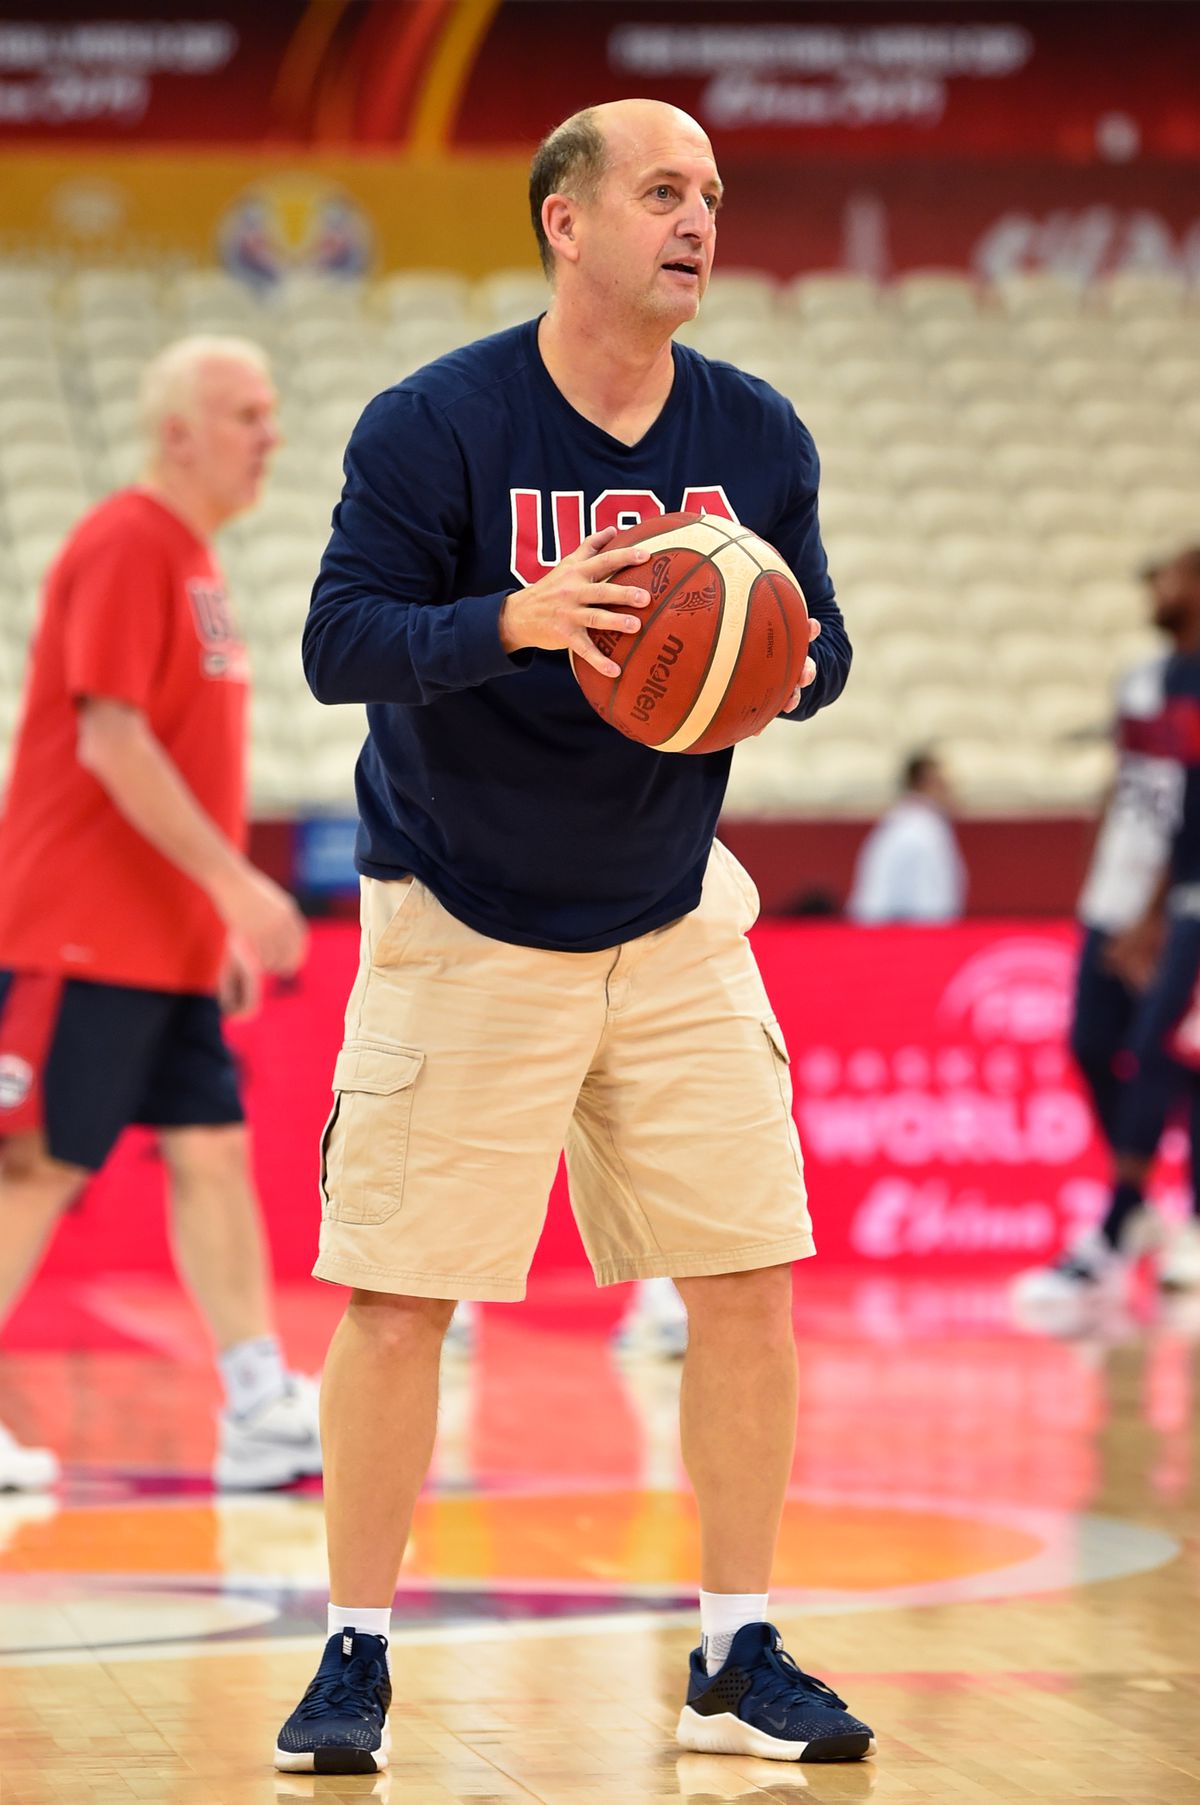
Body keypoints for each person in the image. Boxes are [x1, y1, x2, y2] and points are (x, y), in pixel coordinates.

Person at [275, 100, 874, 1774]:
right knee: (400, 1300)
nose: (700, 220)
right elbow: (338, 642)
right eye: (665, 192)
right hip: (462, 912)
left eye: (714, 196)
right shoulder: (439, 425)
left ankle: (737, 1640)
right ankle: (354, 1650)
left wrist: (778, 657)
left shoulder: (753, 434)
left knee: (748, 1281)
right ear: (567, 219)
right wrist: (515, 620)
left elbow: (825, 657)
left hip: (676, 912)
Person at [0, 337, 319, 1492]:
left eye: (271, 411)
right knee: (33, 1163)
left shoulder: (196, 561)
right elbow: (111, 738)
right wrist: (237, 886)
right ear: (178, 432)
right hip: (79, 925)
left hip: (164, 937)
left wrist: (212, 919)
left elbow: (180, 755)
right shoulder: (128, 539)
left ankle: (256, 1405)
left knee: (214, 1150)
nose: (267, 434)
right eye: (245, 413)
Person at [1015, 547, 1200, 1312]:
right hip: (1118, 897)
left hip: (1185, 896)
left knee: (1164, 1050)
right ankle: (1143, 1216)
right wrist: (1105, 894)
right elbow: (1127, 792)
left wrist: (1155, 913)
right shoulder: (1142, 681)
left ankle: (1134, 1219)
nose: (1152, 586)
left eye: (1168, 574)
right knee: (1093, 1044)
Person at [846, 751, 965, 924]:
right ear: (927, 784)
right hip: (904, 932)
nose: (951, 793)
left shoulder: (903, 823)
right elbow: (929, 900)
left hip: (889, 927)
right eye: (944, 785)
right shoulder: (920, 830)